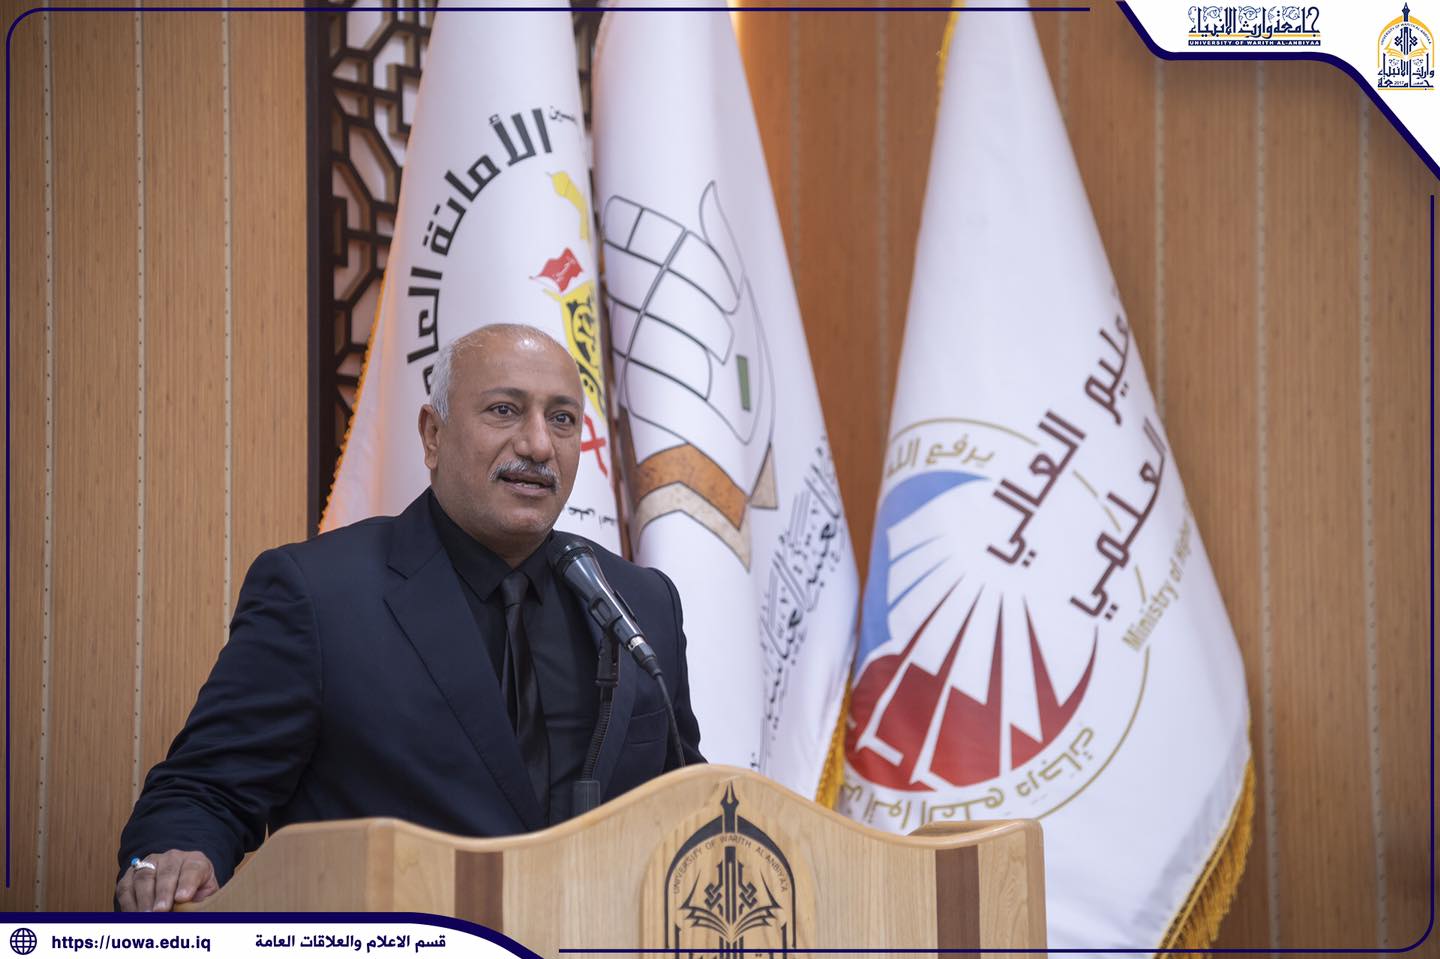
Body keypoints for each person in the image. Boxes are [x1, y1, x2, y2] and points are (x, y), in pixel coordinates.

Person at [115, 324, 703, 912]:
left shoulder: (638, 602)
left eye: (562, 419)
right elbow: (206, 790)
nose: (538, 444)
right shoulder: (319, 595)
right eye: (504, 410)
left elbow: (685, 800)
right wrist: (173, 857)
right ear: (432, 435)